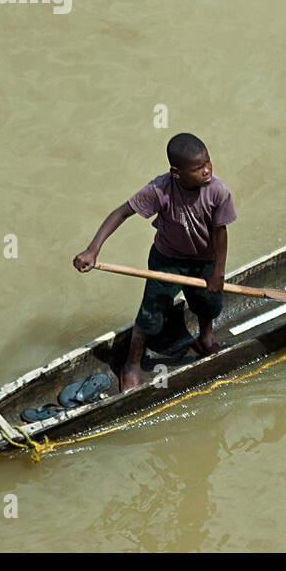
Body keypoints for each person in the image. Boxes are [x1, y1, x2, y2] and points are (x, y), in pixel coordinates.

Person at [73, 133, 237, 390]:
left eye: (208, 163)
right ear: (177, 172)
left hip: (205, 260)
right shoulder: (160, 190)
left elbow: (220, 232)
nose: (206, 171)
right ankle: (132, 364)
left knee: (208, 304)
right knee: (151, 313)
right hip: (167, 259)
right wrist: (92, 250)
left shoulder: (218, 191)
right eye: (197, 168)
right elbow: (121, 212)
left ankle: (205, 340)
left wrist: (218, 272)